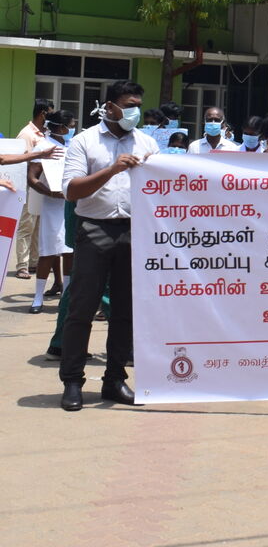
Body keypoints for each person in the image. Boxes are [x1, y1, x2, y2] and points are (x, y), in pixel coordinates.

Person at [59, 79, 159, 411]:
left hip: (134, 231)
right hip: (94, 229)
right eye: (129, 106)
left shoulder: (146, 142)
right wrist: (112, 169)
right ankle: (73, 381)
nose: (135, 112)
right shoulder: (85, 141)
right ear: (110, 107)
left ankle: (114, 380)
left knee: (125, 311)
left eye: (138, 106)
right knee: (82, 309)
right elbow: (71, 191)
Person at [26, 110, 75, 312]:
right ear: (62, 127)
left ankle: (67, 295)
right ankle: (38, 297)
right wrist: (50, 192)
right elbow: (32, 178)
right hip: (52, 205)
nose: (73, 129)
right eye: (71, 125)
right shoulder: (43, 146)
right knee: (48, 251)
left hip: (71, 204)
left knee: (69, 251)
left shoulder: (73, 146)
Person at [14, 98, 53, 280]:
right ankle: (22, 265)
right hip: (28, 186)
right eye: (50, 113)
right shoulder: (27, 134)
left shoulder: (44, 134)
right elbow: (21, 161)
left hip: (41, 185)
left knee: (37, 226)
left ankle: (34, 262)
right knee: (26, 226)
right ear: (43, 113)